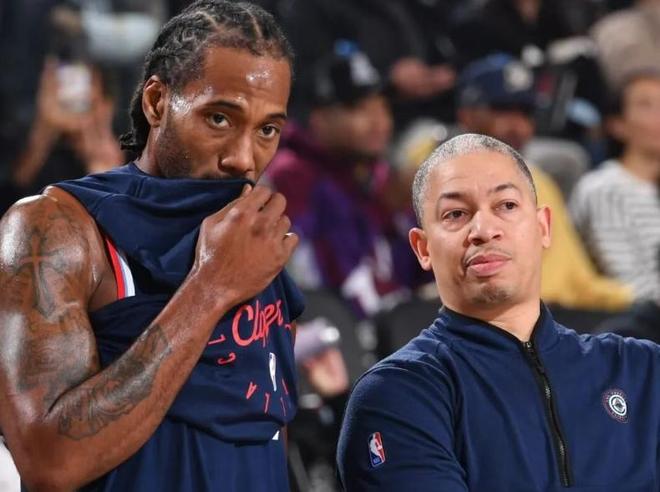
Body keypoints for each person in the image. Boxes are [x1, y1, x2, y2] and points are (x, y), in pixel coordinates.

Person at [0, 2, 303, 491]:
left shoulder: (258, 243)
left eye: (267, 129)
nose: (243, 159)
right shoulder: (58, 228)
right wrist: (211, 287)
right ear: (157, 101)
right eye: (219, 118)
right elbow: (50, 463)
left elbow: (263, 431)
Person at [336, 133, 660, 491]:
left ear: (543, 227)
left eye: (506, 205)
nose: (484, 230)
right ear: (423, 248)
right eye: (456, 214)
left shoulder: (642, 370)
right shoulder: (397, 394)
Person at [266, 48, 425, 316]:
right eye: (359, 109)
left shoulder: (379, 176)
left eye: (382, 106)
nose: (378, 121)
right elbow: (310, 283)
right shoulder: (292, 176)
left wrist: (396, 213)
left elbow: (412, 271)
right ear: (319, 119)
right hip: (332, 327)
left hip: (393, 323)